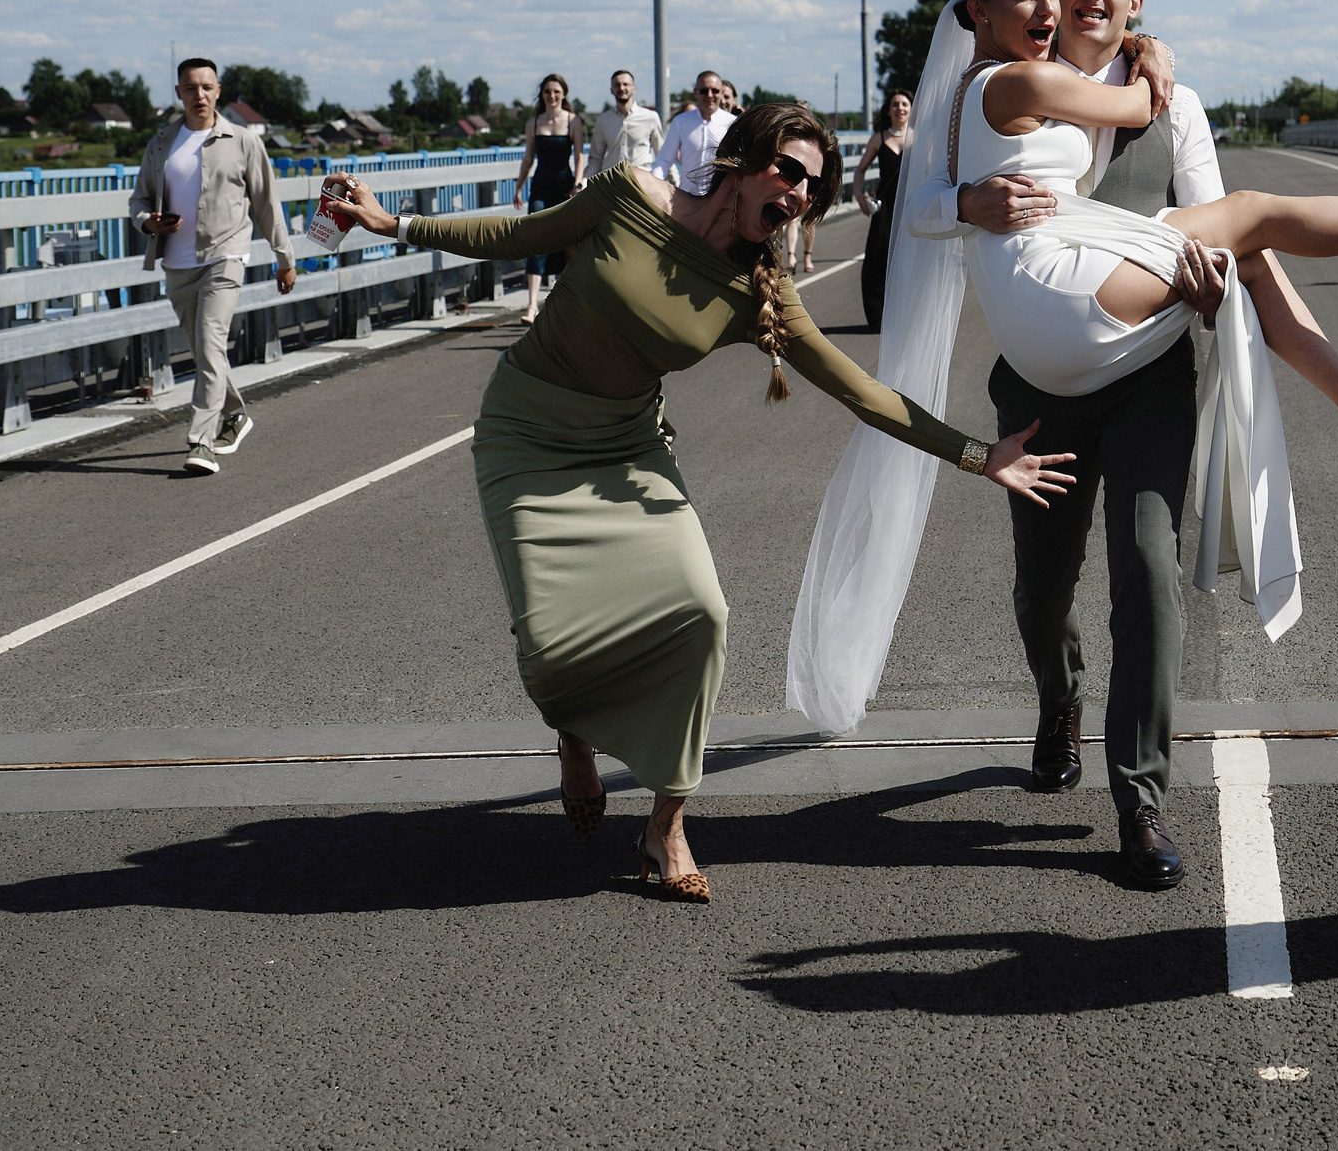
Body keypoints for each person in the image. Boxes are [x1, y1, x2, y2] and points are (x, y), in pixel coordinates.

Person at [321, 104, 1073, 903]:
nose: (798, 192)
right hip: (529, 430)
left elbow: (863, 391)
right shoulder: (627, 194)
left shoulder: (761, 290)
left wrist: (978, 454)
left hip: (626, 447)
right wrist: (393, 223)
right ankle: (574, 735)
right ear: (743, 160)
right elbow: (516, 235)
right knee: (548, 642)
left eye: (813, 188)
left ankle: (666, 822)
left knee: (701, 614)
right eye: (788, 170)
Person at [904, 0, 1338, 888]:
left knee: (1147, 571)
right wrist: (965, 204)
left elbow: (1234, 244)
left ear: (1136, 1)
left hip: (1147, 372)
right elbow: (920, 200)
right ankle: (1059, 696)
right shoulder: (1017, 83)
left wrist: (1214, 298)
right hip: (1041, 384)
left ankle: (1141, 801)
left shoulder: (1176, 107)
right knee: (1043, 593)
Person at [129, 57, 298, 475]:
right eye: (190, 88)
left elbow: (267, 204)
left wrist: (284, 258)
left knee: (209, 342)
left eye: (207, 87)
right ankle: (235, 414)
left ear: (218, 91)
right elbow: (139, 200)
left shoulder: (243, 141)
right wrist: (148, 222)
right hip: (178, 263)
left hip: (226, 255)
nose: (199, 95)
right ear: (178, 93)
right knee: (206, 351)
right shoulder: (162, 143)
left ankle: (201, 441)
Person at [511, 73, 584, 325]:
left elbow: (579, 155)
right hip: (540, 187)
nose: (552, 96)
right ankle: (532, 306)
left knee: (568, 243)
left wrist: (578, 182)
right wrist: (519, 186)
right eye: (547, 92)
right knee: (536, 239)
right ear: (542, 95)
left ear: (563, 94)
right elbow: (528, 157)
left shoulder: (573, 121)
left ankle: (570, 300)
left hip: (565, 187)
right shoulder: (533, 122)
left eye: (556, 92)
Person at [853, 88, 914, 329]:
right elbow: (859, 170)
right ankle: (877, 317)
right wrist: (859, 195)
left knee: (910, 260)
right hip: (885, 208)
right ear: (888, 110)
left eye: (904, 104)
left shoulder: (920, 137)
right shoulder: (879, 138)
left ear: (911, 109)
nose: (900, 108)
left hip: (911, 205)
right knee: (876, 260)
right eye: (895, 104)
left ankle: (908, 315)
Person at [655, 72, 736, 196]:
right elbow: (664, 160)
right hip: (687, 197)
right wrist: (652, 188)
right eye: (704, 91)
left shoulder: (732, 123)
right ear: (695, 92)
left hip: (719, 198)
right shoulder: (681, 121)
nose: (709, 95)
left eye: (714, 91)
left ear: (721, 93)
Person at [588, 68, 664, 176]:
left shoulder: (650, 117)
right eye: (617, 85)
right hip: (612, 180)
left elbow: (663, 155)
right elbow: (596, 158)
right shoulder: (603, 120)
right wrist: (584, 181)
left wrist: (674, 182)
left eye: (625, 84)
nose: (621, 88)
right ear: (611, 90)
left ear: (634, 88)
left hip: (641, 180)